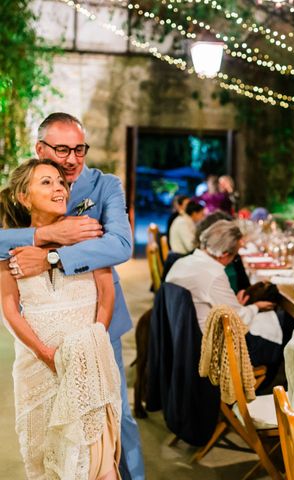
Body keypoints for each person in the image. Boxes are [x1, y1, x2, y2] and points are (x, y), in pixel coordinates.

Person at [0, 113, 144, 479]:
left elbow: (121, 244)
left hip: (96, 327)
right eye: (62, 149)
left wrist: (53, 256)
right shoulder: (26, 186)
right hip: (41, 340)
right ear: (41, 148)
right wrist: (44, 236)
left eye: (79, 148)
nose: (72, 159)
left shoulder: (104, 185)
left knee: (116, 419)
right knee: (50, 437)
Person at [165, 220, 287, 377]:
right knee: (284, 324)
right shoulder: (213, 273)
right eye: (235, 255)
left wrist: (237, 305)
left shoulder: (181, 263)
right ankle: (272, 388)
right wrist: (256, 307)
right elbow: (238, 319)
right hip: (211, 351)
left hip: (182, 342)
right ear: (224, 254)